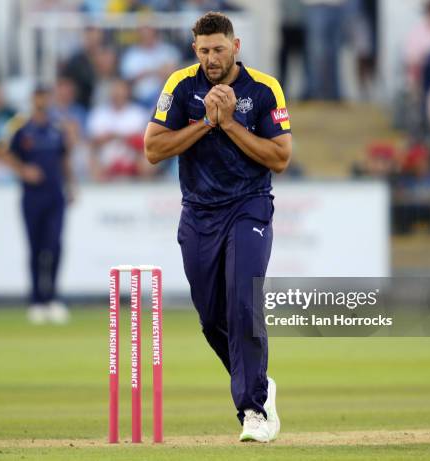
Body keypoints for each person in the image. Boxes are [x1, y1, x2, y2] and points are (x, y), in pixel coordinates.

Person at [144, 12, 292, 443]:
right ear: (196, 50)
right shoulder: (181, 85)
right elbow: (153, 149)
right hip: (199, 212)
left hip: (249, 206)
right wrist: (207, 122)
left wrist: (228, 123)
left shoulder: (264, 88)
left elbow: (280, 158)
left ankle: (254, 409)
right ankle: (259, 381)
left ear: (236, 46)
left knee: (243, 304)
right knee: (211, 318)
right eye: (205, 51)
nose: (212, 58)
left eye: (219, 49)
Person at [0, 86, 74, 325]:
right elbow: (2, 151)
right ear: (32, 99)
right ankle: (36, 301)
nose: (42, 101)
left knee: (54, 246)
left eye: (45, 96)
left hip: (55, 194)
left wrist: (71, 185)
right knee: (35, 248)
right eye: (38, 97)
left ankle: (52, 298)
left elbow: (64, 158)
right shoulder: (20, 126)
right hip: (32, 196)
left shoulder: (56, 127)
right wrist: (23, 170)